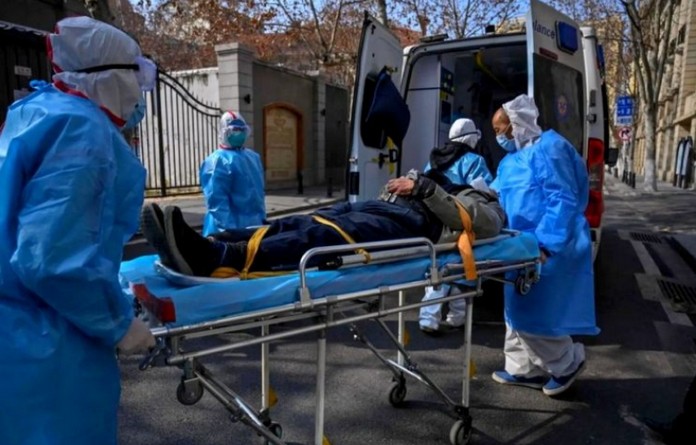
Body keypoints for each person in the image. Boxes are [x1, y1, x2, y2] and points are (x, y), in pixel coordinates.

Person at [0, 17, 156, 445]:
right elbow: (52, 259)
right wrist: (118, 324)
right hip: (48, 342)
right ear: (111, 78)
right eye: (140, 76)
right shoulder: (83, 132)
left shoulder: (35, 111)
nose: (141, 93)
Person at [141, 169, 505, 277]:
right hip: (385, 208)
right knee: (298, 221)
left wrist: (425, 188)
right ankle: (209, 242)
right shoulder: (451, 183)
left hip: (413, 225)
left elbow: (483, 225)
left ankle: (220, 257)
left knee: (322, 235)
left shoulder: (488, 201)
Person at [489, 94, 599, 397]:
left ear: (516, 124)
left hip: (547, 246)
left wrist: (546, 245)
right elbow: (496, 193)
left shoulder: (550, 149)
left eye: (500, 129)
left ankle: (567, 362)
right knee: (514, 312)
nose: (498, 136)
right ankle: (522, 369)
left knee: (534, 315)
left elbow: (562, 200)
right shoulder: (511, 161)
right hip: (518, 244)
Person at [419, 118, 494, 335]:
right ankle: (456, 317)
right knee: (463, 268)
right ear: (471, 138)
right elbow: (484, 191)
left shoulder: (434, 159)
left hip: (436, 221)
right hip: (462, 218)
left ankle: (428, 318)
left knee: (437, 268)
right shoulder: (474, 160)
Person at [200, 111, 266, 236]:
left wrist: (262, 218)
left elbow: (259, 193)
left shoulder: (253, 157)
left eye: (242, 130)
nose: (239, 133)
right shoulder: (216, 161)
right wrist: (229, 231)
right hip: (227, 229)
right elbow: (217, 202)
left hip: (255, 225)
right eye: (235, 130)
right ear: (224, 132)